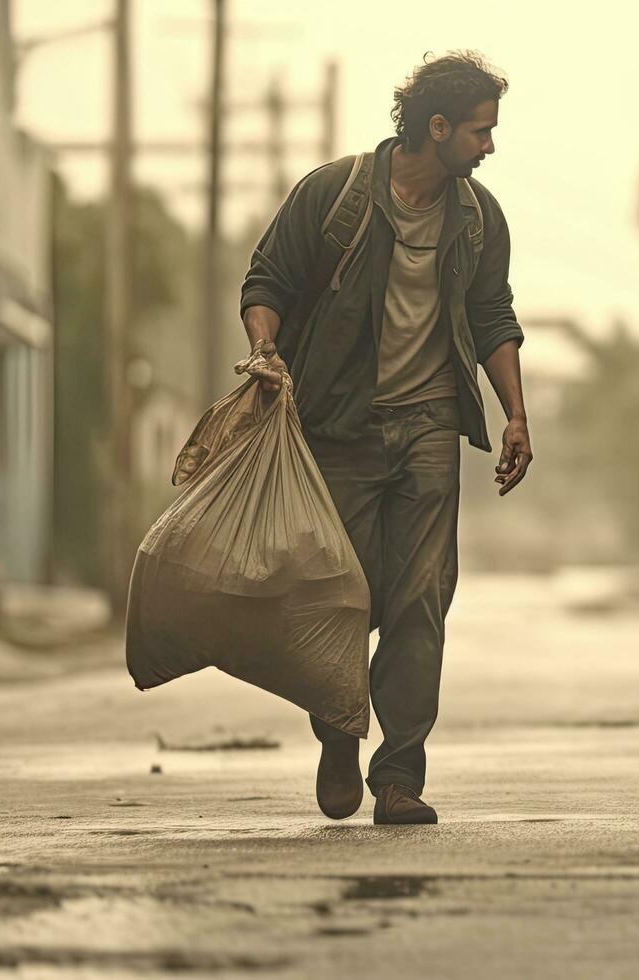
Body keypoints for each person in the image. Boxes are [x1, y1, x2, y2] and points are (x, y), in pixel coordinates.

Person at [238, 51, 531, 825]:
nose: (489, 146)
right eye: (479, 131)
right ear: (436, 128)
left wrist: (515, 414)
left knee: (420, 601)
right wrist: (266, 350)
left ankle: (399, 775)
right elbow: (265, 280)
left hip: (432, 425)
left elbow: (494, 317)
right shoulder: (335, 195)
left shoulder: (476, 217)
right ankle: (338, 729)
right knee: (341, 599)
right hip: (337, 430)